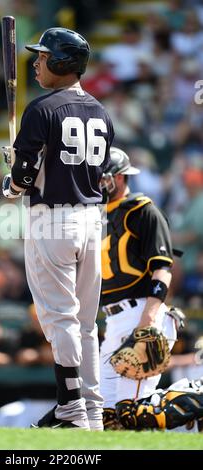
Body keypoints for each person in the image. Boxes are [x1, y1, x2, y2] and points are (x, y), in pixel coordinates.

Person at [2, 27, 114, 430]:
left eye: (44, 57)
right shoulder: (101, 111)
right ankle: (93, 409)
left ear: (63, 63)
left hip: (53, 220)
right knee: (85, 324)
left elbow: (25, 176)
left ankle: (69, 408)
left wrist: (11, 181)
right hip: (91, 221)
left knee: (60, 321)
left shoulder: (42, 108)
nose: (36, 62)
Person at [99, 146, 179, 429]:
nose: (97, 182)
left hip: (142, 313)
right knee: (107, 420)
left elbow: (163, 267)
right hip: (113, 319)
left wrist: (148, 322)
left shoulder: (142, 210)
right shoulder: (90, 216)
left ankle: (194, 397)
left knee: (133, 415)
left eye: (102, 177)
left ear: (119, 177)